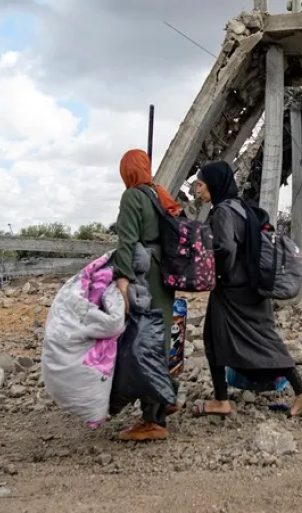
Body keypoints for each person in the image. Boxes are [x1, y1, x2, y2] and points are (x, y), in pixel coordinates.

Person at [192, 161, 302, 418]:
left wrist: (210, 268)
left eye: (201, 184)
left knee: (213, 340)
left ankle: (221, 400)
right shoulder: (241, 207)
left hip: (232, 289)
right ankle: (301, 392)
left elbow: (226, 249)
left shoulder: (224, 212)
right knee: (266, 338)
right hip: (253, 285)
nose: (197, 190)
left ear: (214, 185)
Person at [111, 149, 182, 442]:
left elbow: (126, 240)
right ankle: (167, 398)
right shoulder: (159, 194)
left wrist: (122, 281)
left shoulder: (133, 197)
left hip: (145, 278)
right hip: (164, 274)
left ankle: (154, 419)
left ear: (127, 172)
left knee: (144, 342)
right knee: (161, 337)